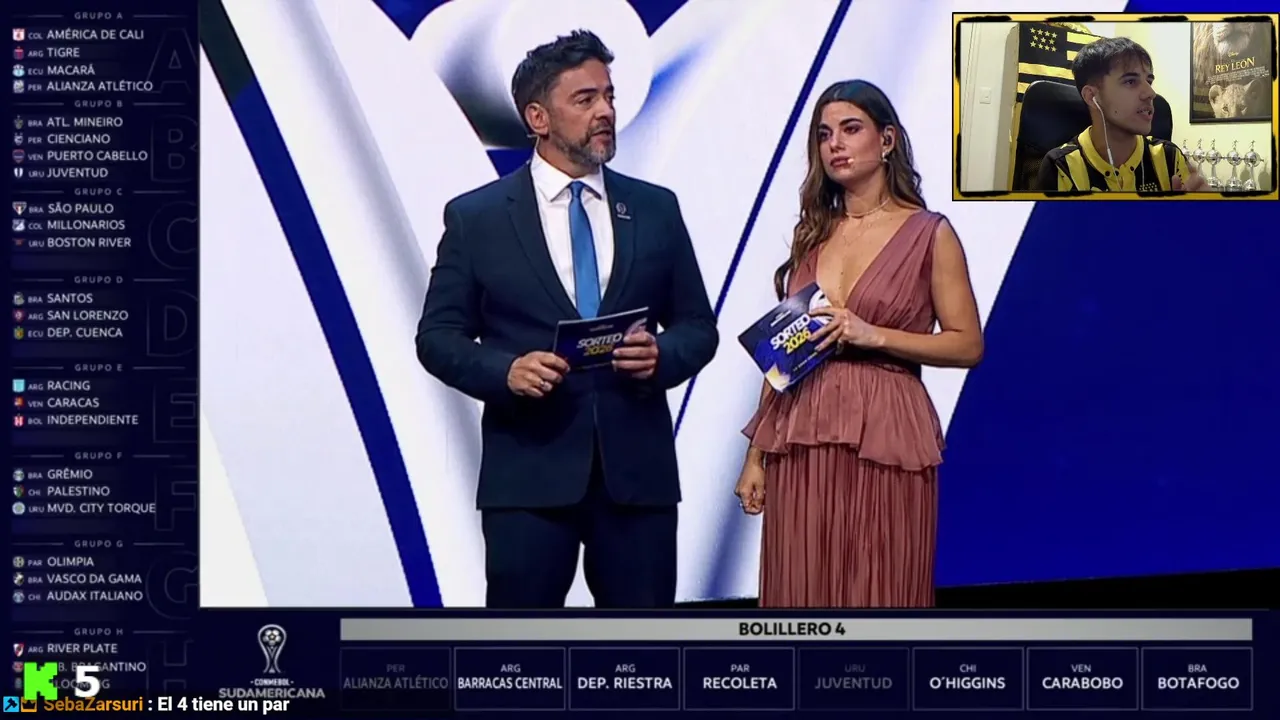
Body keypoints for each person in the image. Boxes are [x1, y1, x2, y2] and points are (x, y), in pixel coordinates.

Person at [416, 30, 718, 609]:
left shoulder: (655, 208)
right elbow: (437, 337)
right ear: (538, 118)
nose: (605, 111)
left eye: (609, 95)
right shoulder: (478, 218)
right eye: (585, 99)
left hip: (638, 481)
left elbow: (698, 327)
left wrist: (662, 356)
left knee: (645, 649)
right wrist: (506, 371)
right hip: (528, 478)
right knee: (522, 649)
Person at [734, 80, 984, 608]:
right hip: (804, 432)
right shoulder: (812, 235)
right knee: (800, 590)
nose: (835, 145)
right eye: (824, 135)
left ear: (886, 140)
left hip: (887, 431)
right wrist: (755, 457)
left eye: (850, 129)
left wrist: (875, 335)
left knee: (882, 587)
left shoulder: (929, 233)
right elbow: (784, 353)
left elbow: (967, 346)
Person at [1036, 37, 1209, 193]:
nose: (1150, 93)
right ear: (1092, 96)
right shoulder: (1061, 167)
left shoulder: (1169, 157)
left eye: (1149, 81)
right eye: (1131, 81)